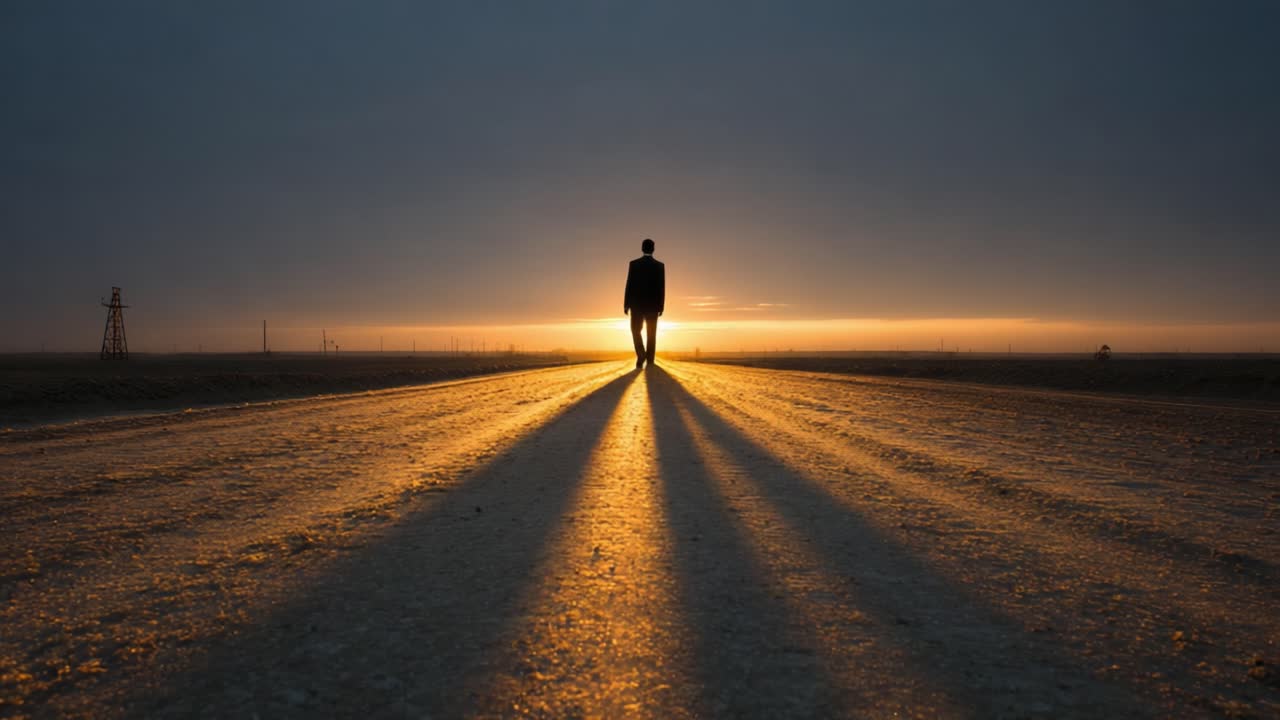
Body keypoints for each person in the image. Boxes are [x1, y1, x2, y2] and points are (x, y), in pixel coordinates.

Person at [624, 238, 665, 369]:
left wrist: (626, 304)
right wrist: (661, 306)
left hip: (636, 305)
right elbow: (661, 288)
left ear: (642, 248)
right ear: (653, 249)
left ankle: (641, 354)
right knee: (651, 333)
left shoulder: (634, 264)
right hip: (653, 306)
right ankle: (650, 360)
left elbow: (629, 284)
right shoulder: (659, 266)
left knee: (635, 330)